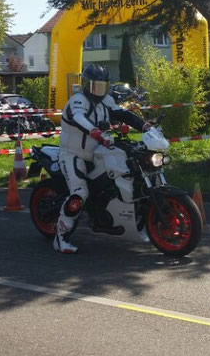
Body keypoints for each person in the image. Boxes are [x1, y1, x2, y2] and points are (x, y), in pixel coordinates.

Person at [54, 64, 151, 254]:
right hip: (73, 154)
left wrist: (145, 126)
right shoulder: (77, 100)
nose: (98, 91)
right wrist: (95, 132)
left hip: (98, 151)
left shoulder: (106, 100)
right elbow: (80, 119)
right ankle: (60, 238)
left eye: (102, 86)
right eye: (94, 87)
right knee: (80, 193)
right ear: (86, 85)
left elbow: (121, 113)